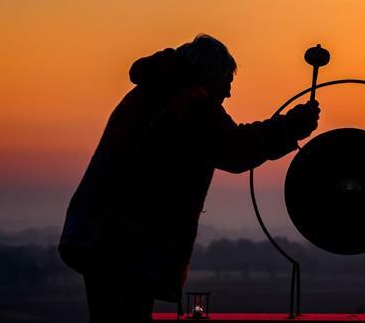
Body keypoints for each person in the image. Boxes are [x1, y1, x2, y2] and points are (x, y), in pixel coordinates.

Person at [58, 34, 320, 322]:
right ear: (208, 73)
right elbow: (233, 148)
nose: (228, 94)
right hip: (125, 241)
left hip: (99, 233)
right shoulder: (188, 100)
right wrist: (289, 127)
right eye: (226, 82)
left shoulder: (153, 91)